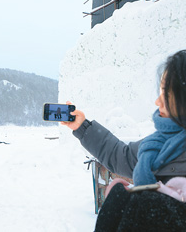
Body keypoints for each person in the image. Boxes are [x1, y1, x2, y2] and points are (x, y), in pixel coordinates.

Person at [62, 50, 186, 231]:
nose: (157, 102)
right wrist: (82, 127)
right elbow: (121, 156)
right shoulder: (157, 144)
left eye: (167, 94)